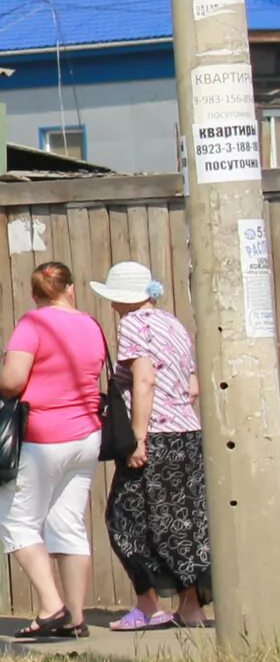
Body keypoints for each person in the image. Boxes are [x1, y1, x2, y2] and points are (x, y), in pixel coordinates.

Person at [0, 260, 106, 640]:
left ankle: (50, 606)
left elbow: (12, 381)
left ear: (35, 294)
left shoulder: (33, 324)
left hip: (44, 437)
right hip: (87, 436)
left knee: (17, 519)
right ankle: (75, 617)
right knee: (66, 522)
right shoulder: (92, 325)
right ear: (70, 289)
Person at [95, 261, 210, 631]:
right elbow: (193, 386)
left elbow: (144, 379)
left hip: (155, 437)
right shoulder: (173, 324)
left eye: (114, 298)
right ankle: (191, 608)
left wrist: (139, 437)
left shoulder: (133, 325)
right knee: (184, 523)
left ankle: (147, 606)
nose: (112, 305)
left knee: (123, 519)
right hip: (187, 434)